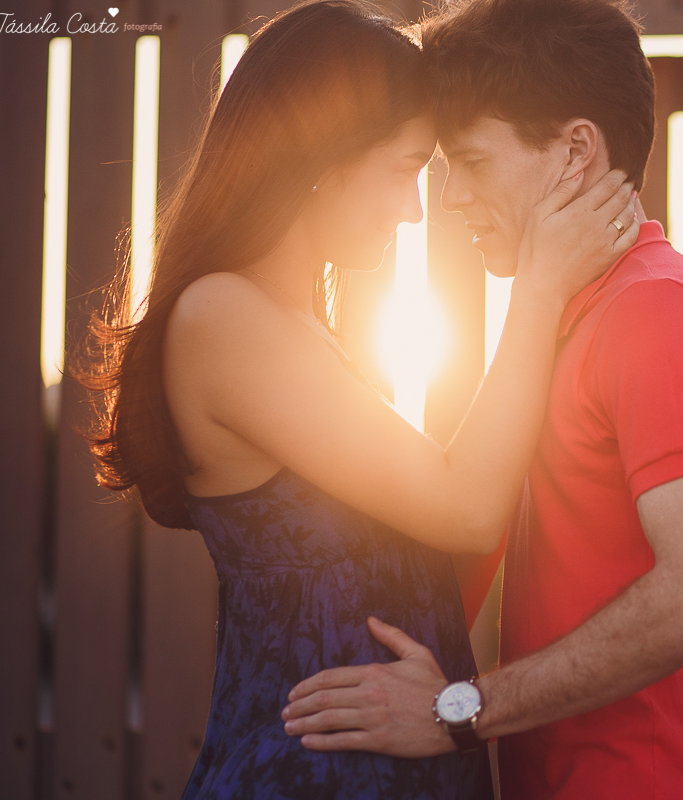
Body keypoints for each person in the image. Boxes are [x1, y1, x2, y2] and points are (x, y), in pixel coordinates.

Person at [81, 1, 639, 797]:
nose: (417, 209)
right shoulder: (222, 317)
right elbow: (468, 505)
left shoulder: (304, 328)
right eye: (407, 168)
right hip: (306, 776)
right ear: (323, 156)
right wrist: (541, 289)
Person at [281, 0, 683, 797]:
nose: (453, 198)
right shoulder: (574, 312)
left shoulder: (656, 311)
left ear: (576, 150)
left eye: (471, 161)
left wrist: (455, 710)